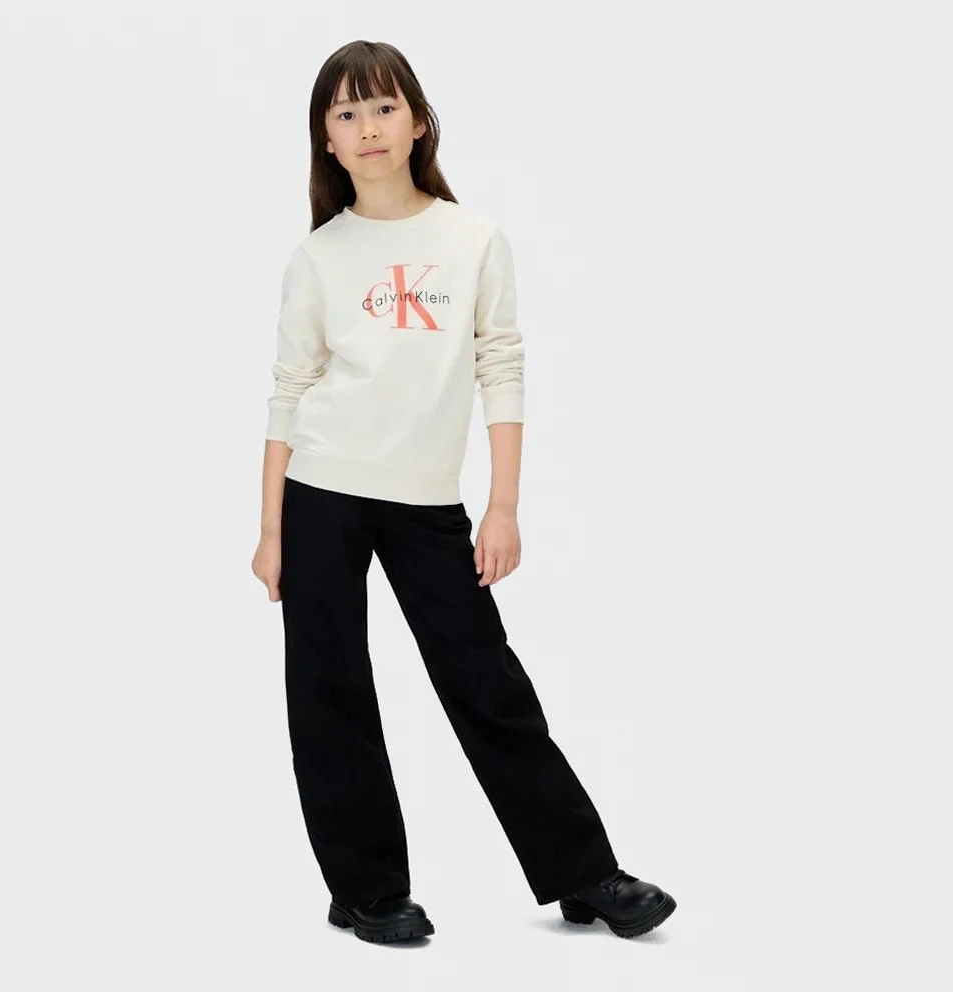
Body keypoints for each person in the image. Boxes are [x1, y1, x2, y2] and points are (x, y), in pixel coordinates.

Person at [251, 39, 677, 945]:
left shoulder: (473, 240)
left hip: (426, 501)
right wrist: (271, 528)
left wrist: (503, 505)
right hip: (322, 489)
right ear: (326, 138)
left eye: (384, 107)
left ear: (418, 120)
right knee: (329, 687)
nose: (368, 127)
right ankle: (366, 888)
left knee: (485, 680)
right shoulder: (318, 256)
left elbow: (501, 365)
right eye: (346, 113)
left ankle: (583, 871)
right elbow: (289, 390)